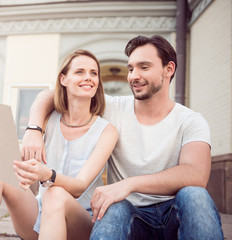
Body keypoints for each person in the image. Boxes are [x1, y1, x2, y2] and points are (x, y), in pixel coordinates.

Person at [22, 35, 224, 239]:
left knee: (194, 195)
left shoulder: (191, 121)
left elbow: (196, 174)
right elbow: (51, 95)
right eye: (130, 69)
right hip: (130, 217)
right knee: (114, 207)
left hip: (175, 215)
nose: (134, 76)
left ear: (169, 69)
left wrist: (128, 184)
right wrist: (34, 129)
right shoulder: (112, 108)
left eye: (144, 67)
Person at [0, 49, 118, 240]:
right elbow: (23, 160)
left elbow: (80, 186)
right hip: (38, 218)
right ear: (63, 79)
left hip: (80, 224)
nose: (88, 77)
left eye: (94, 73)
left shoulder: (107, 131)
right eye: (80, 72)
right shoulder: (47, 120)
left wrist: (47, 174)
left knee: (55, 194)